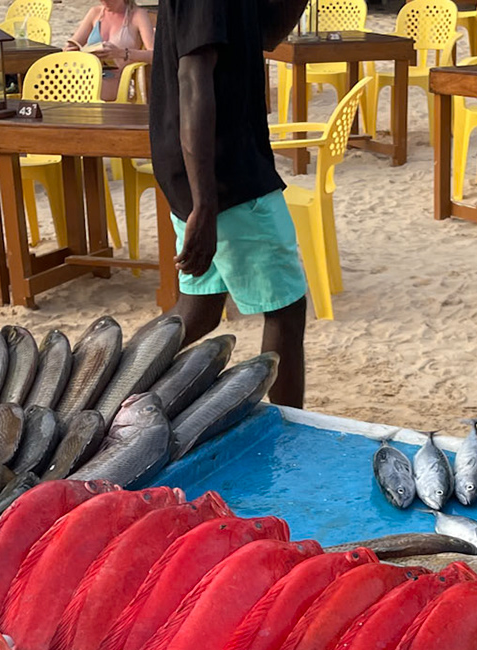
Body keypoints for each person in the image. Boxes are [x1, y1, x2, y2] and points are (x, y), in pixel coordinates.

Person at [150, 0, 309, 408]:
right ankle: (288, 433)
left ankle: (114, 386)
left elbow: (265, 34)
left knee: (200, 309)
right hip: (224, 172)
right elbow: (192, 77)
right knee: (286, 308)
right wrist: (205, 204)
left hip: (207, 167)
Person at [64, 0, 156, 100]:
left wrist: (120, 53)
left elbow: (154, 55)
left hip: (116, 79)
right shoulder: (96, 13)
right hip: (88, 74)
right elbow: (74, 43)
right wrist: (70, 49)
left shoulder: (137, 15)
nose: (105, 2)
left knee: (79, 92)